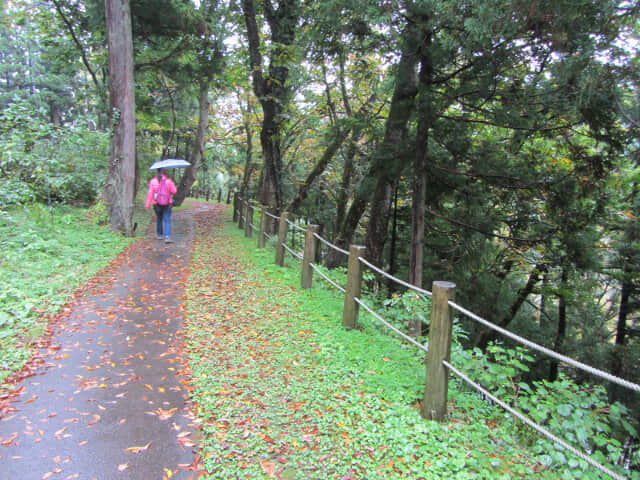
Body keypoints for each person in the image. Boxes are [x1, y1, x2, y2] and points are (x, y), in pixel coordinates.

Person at [145, 168, 177, 243]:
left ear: (157, 172)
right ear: (164, 173)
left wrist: (147, 205)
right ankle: (167, 237)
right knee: (167, 220)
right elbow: (174, 191)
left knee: (159, 218)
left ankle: (159, 235)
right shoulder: (168, 181)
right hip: (167, 203)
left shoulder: (153, 181)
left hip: (156, 204)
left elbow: (150, 193)